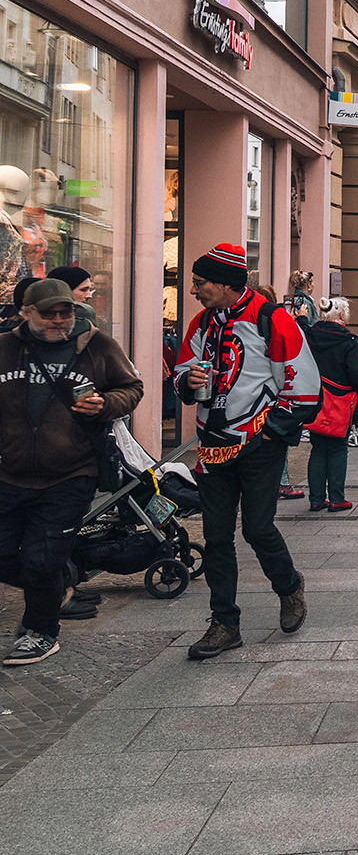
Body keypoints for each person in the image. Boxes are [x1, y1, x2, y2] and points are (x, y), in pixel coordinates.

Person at [173, 244, 319, 659]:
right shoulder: (201, 323)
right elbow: (181, 371)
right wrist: (188, 382)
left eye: (200, 282)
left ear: (224, 283)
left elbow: (304, 384)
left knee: (257, 528)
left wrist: (270, 433)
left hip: (258, 444)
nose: (194, 290)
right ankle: (224, 623)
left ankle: (289, 587)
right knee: (217, 537)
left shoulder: (271, 318)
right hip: (212, 445)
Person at [0, 278, 142, 665]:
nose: (60, 320)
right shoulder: (6, 347)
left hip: (71, 472)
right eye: (50, 314)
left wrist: (106, 404)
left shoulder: (97, 346)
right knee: (12, 556)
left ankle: (42, 632)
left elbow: (132, 387)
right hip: (10, 472)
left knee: (42, 559)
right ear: (26, 313)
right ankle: (56, 586)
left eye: (65, 312)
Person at [303, 297, 358, 513]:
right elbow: (356, 373)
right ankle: (336, 498)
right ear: (342, 315)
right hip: (340, 400)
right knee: (338, 448)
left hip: (315, 399)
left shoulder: (310, 335)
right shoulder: (348, 340)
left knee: (318, 448)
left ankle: (316, 499)